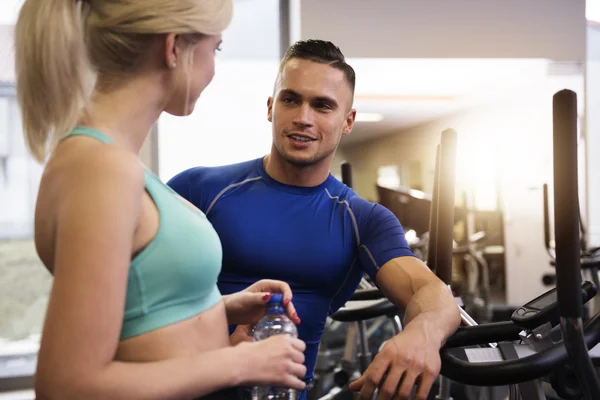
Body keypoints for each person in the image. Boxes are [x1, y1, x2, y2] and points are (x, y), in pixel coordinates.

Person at [13, 0, 308, 399]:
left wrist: (222, 308)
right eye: (214, 49)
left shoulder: (114, 162)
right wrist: (240, 363)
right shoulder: (101, 167)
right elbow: (67, 386)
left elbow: (141, 315)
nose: (214, 69)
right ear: (174, 48)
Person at [167, 39, 462, 400]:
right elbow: (133, 301)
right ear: (271, 107)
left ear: (348, 121)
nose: (303, 117)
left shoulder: (362, 218)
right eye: (291, 99)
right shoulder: (198, 188)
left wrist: (421, 336)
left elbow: (431, 293)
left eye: (322, 105)